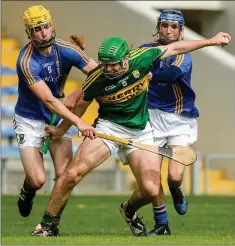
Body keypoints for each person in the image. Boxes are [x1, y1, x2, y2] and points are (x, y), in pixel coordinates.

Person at [31, 32, 230, 237]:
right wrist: (62, 129)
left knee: (151, 191)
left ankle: (128, 210)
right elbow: (80, 106)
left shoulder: (142, 58)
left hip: (141, 131)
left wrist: (211, 41)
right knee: (72, 174)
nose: (109, 69)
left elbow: (177, 48)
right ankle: (47, 225)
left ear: (126, 58)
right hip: (108, 128)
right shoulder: (96, 79)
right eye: (105, 64)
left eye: (114, 64)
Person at [14, 5, 97, 219]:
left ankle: (51, 222)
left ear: (52, 25)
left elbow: (97, 74)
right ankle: (28, 189)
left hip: (58, 115)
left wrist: (75, 93)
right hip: (30, 119)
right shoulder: (26, 61)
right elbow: (49, 100)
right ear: (29, 33)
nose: (43, 32)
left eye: (46, 26)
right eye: (37, 29)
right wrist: (78, 122)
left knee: (65, 175)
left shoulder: (66, 49)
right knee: (38, 179)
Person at [125, 9, 196, 235]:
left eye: (173, 27)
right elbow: (126, 65)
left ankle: (176, 189)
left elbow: (174, 74)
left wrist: (151, 75)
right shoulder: (145, 49)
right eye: (164, 25)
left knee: (173, 176)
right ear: (158, 27)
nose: (168, 30)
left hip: (179, 118)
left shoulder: (184, 54)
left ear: (180, 31)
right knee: (153, 179)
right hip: (151, 117)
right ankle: (162, 224)